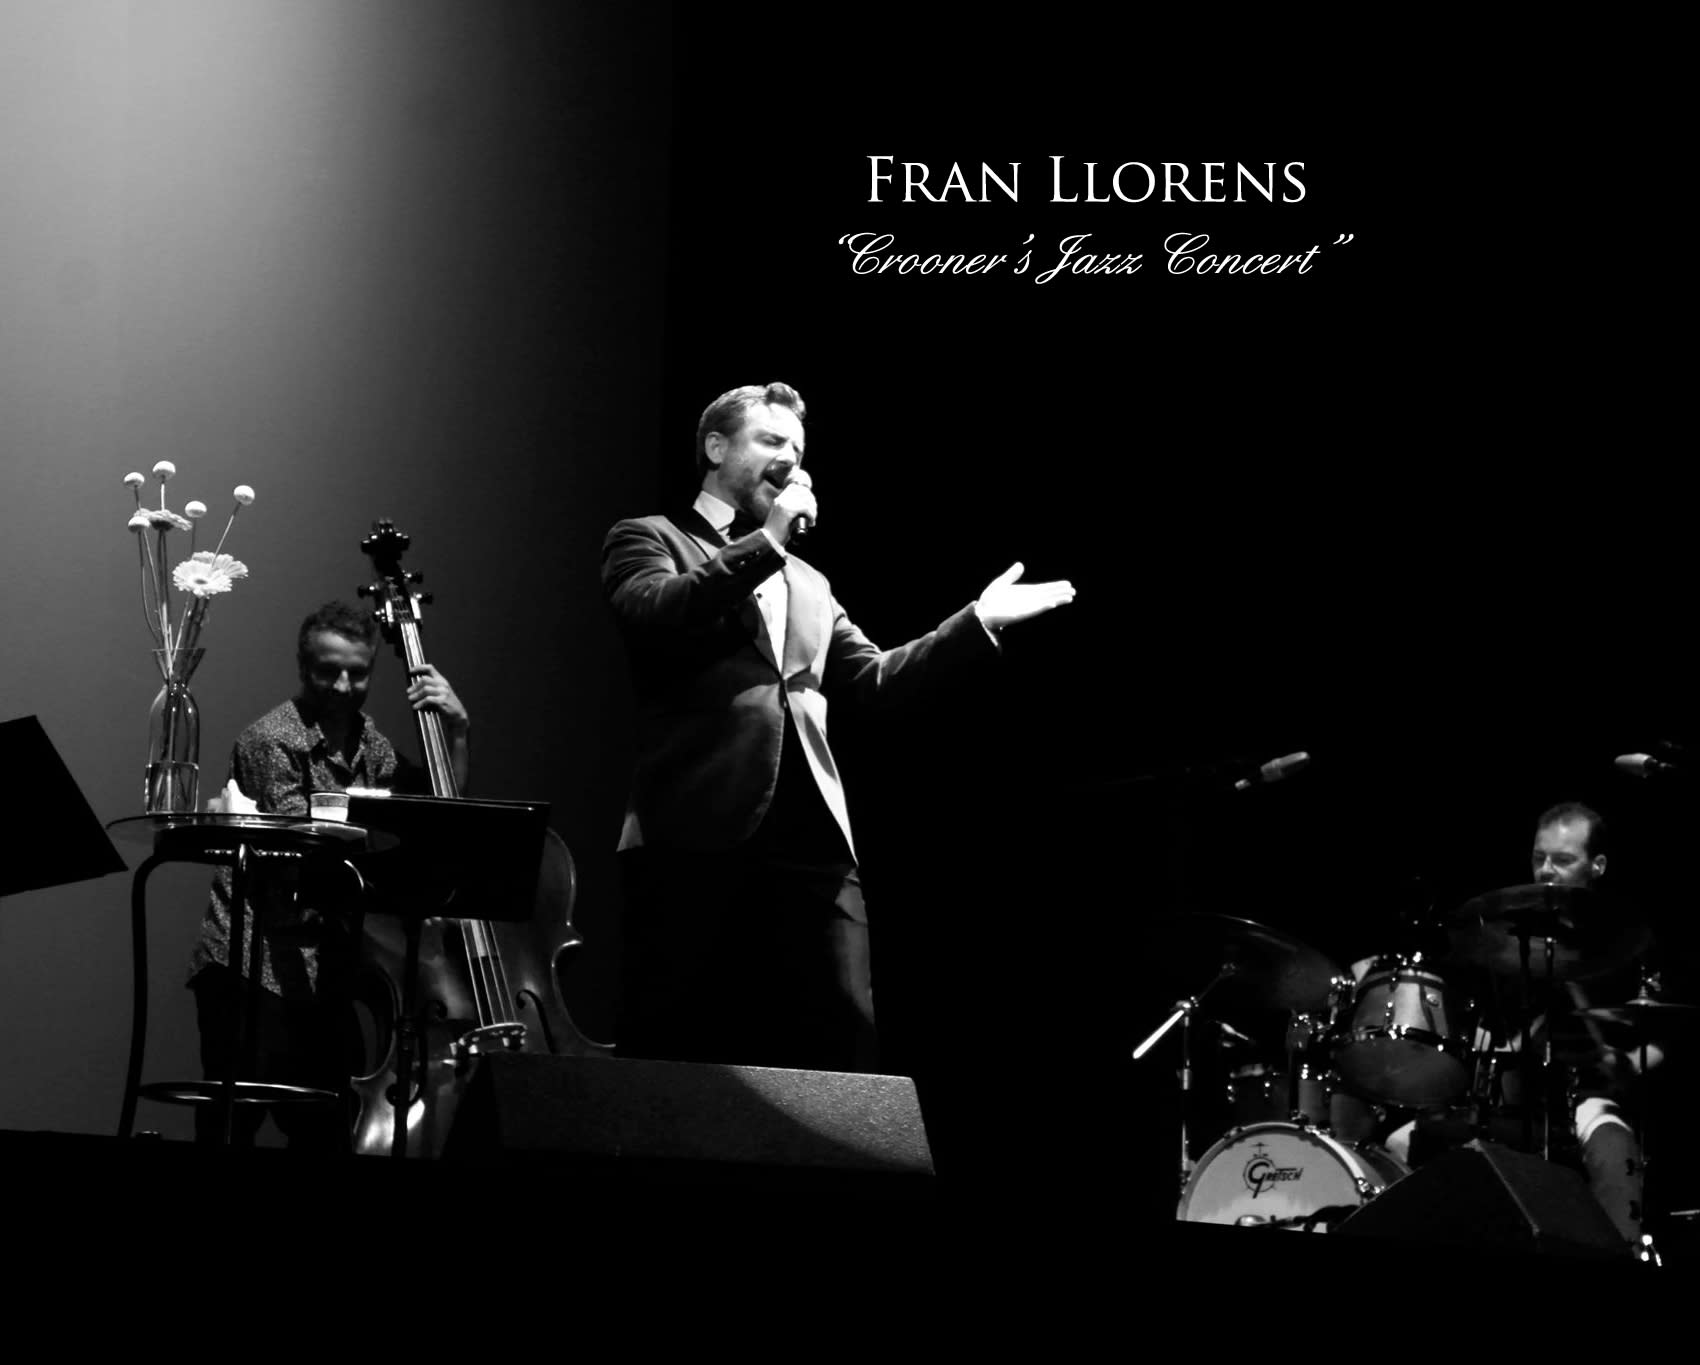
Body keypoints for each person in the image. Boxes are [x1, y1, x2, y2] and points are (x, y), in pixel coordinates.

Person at [601, 381, 1074, 1073]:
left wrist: (975, 622)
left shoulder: (811, 583)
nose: (790, 459)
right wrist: (767, 541)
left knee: (845, 1040)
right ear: (715, 447)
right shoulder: (650, 537)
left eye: (797, 449)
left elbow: (875, 680)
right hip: (694, 828)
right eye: (771, 440)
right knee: (676, 1045)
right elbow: (656, 612)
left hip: (811, 837)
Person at [185, 600, 469, 1148]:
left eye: (357, 673)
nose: (342, 686)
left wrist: (456, 732)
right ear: (303, 666)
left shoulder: (372, 745)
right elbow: (306, 856)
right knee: (231, 1129)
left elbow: (440, 820)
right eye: (328, 671)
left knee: (331, 1129)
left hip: (325, 970)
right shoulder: (272, 739)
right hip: (252, 962)